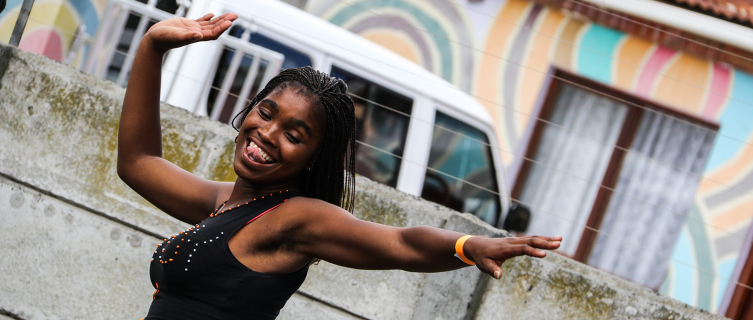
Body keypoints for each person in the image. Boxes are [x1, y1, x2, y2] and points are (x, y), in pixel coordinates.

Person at [117, 12, 562, 320]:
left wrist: (467, 245)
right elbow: (138, 163)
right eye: (266, 113)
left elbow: (401, 244)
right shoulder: (224, 203)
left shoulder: (294, 218)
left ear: (315, 157)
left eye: (295, 135)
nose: (268, 134)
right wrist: (153, 45)